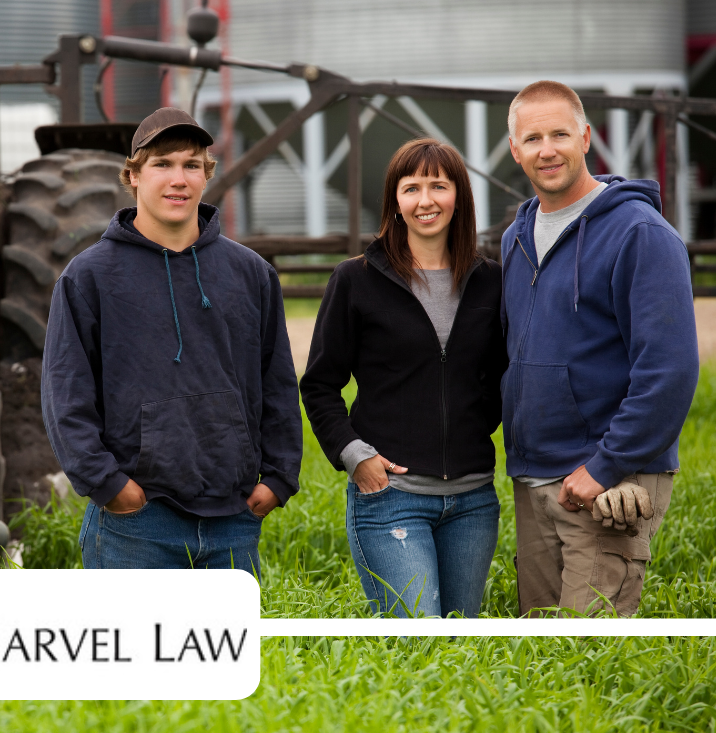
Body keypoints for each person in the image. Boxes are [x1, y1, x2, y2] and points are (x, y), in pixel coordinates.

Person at [41, 107, 302, 576]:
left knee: (227, 652)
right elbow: (65, 392)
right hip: (136, 524)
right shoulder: (89, 276)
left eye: (191, 164)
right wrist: (109, 485)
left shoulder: (251, 274)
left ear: (206, 176)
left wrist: (280, 477)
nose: (178, 178)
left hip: (233, 522)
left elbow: (278, 380)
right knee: (134, 651)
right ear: (133, 175)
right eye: (162, 164)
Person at [502, 80, 699, 616]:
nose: (548, 150)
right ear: (515, 149)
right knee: (540, 651)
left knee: (589, 648)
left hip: (609, 480)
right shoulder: (516, 236)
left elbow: (669, 370)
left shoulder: (640, 234)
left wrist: (605, 467)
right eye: (533, 138)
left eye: (560, 134)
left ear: (586, 137)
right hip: (536, 476)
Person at [300, 138, 507, 618]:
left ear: (459, 197)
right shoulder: (355, 280)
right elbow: (319, 384)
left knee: (458, 646)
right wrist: (357, 458)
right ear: (395, 200)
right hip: (391, 499)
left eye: (439, 185)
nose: (426, 200)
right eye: (411, 188)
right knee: (418, 643)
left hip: (473, 500)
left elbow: (501, 374)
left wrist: (477, 430)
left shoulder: (491, 281)